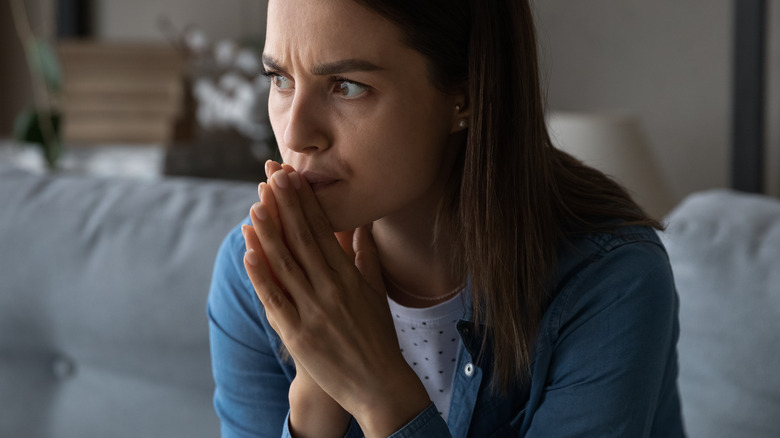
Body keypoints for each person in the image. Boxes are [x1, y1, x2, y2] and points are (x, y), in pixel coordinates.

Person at [207, 0, 686, 436]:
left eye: (347, 86)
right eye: (280, 79)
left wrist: (378, 393)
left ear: (465, 95)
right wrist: (314, 399)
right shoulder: (254, 273)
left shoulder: (609, 278)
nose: (295, 133)